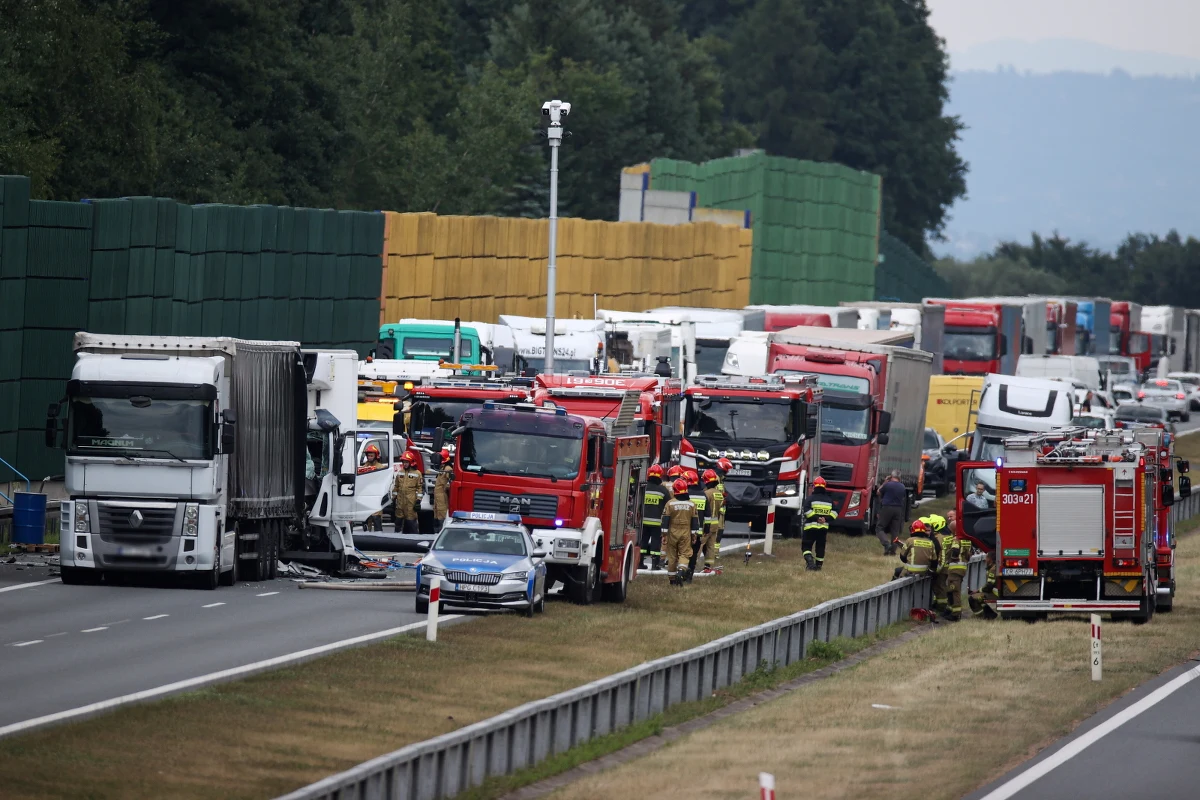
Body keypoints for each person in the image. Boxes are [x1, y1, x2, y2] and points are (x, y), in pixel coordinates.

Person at [662, 478, 699, 586]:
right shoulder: (691, 504)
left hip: (672, 532)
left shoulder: (670, 504)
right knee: (684, 553)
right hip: (686, 532)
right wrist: (694, 535)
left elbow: (665, 520)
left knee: (672, 556)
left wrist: (664, 535)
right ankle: (681, 571)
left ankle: (672, 580)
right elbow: (695, 521)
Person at [894, 519, 941, 597]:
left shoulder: (910, 540)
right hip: (924, 572)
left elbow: (902, 557)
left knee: (897, 576)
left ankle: (895, 595)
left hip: (910, 571)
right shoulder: (930, 542)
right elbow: (934, 561)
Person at [802, 476, 837, 571]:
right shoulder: (830, 500)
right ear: (825, 487)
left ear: (814, 486)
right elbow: (835, 513)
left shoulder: (810, 499)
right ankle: (818, 566)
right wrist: (825, 519)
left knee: (806, 546)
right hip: (823, 528)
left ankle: (810, 563)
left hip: (810, 528)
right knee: (820, 547)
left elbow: (807, 511)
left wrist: (817, 518)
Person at [943, 509, 973, 621]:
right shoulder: (967, 540)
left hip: (955, 568)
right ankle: (952, 610)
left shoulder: (956, 539)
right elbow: (969, 554)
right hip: (962, 568)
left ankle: (956, 614)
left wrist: (952, 557)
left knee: (954, 591)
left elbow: (955, 551)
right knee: (953, 590)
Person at [641, 464, 670, 570]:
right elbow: (669, 505)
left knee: (643, 542)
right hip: (657, 522)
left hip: (643, 522)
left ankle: (640, 562)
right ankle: (655, 565)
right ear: (660, 476)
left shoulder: (643, 488)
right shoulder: (663, 490)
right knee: (655, 543)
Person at [875, 470, 907, 556]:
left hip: (887, 507)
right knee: (895, 531)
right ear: (900, 478)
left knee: (879, 527)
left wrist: (885, 481)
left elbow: (878, 492)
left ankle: (886, 544)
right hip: (898, 509)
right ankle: (892, 551)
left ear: (891, 476)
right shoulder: (903, 487)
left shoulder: (888, 485)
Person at [391, 450, 423, 534]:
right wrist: (393, 499)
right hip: (400, 503)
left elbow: (420, 488)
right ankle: (397, 540)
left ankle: (414, 541)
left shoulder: (417, 473)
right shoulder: (400, 472)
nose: (404, 464)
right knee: (398, 523)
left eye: (406, 462)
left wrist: (418, 501)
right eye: (403, 462)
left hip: (410, 503)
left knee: (411, 524)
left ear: (411, 462)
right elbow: (396, 487)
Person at [700, 469, 725, 573]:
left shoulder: (706, 494)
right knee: (711, 546)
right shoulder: (719, 494)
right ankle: (708, 566)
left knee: (700, 544)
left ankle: (690, 565)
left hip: (707, 524)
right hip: (715, 524)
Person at [684, 469, 707, 582]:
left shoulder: (685, 495)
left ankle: (682, 572)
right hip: (698, 532)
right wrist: (705, 530)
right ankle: (689, 575)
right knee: (693, 554)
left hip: (685, 530)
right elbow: (708, 516)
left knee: (683, 553)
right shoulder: (703, 495)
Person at [968, 551, 999, 619]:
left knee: (972, 598)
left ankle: (981, 617)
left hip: (995, 594)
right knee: (979, 598)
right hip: (994, 593)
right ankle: (990, 614)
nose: (985, 559)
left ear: (990, 559)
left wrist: (978, 591)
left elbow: (989, 586)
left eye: (986, 557)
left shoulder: (993, 569)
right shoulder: (993, 567)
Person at [432, 448, 453, 526]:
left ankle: (442, 529)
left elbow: (451, 482)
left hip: (442, 495)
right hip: (437, 495)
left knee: (442, 513)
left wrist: (446, 488)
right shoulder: (442, 468)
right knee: (437, 512)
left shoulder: (448, 469)